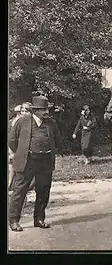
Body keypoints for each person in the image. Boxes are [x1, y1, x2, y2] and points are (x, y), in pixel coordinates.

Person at [8, 95, 61, 231]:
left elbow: (57, 140)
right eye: (44, 110)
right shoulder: (22, 121)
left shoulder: (51, 123)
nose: (47, 112)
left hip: (45, 161)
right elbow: (12, 140)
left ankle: (39, 219)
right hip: (28, 161)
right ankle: (13, 220)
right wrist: (21, 153)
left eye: (47, 109)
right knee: (20, 191)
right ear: (36, 110)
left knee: (43, 191)